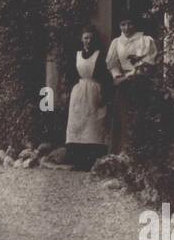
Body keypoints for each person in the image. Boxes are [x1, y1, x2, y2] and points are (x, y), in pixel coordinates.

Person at [105, 13, 157, 155]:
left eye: (130, 24)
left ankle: (137, 155)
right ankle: (120, 154)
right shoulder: (116, 42)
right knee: (122, 117)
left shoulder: (144, 40)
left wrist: (132, 75)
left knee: (138, 117)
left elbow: (147, 62)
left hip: (139, 81)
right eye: (123, 24)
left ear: (135, 25)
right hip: (122, 84)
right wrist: (118, 76)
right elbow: (112, 63)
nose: (126, 28)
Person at [64, 26, 111, 170]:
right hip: (79, 92)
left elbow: (105, 76)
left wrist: (103, 94)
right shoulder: (77, 54)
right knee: (78, 125)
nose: (88, 41)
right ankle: (78, 161)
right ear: (81, 39)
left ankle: (92, 162)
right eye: (85, 38)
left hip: (95, 91)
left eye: (90, 38)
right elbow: (71, 74)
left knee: (94, 126)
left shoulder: (99, 55)